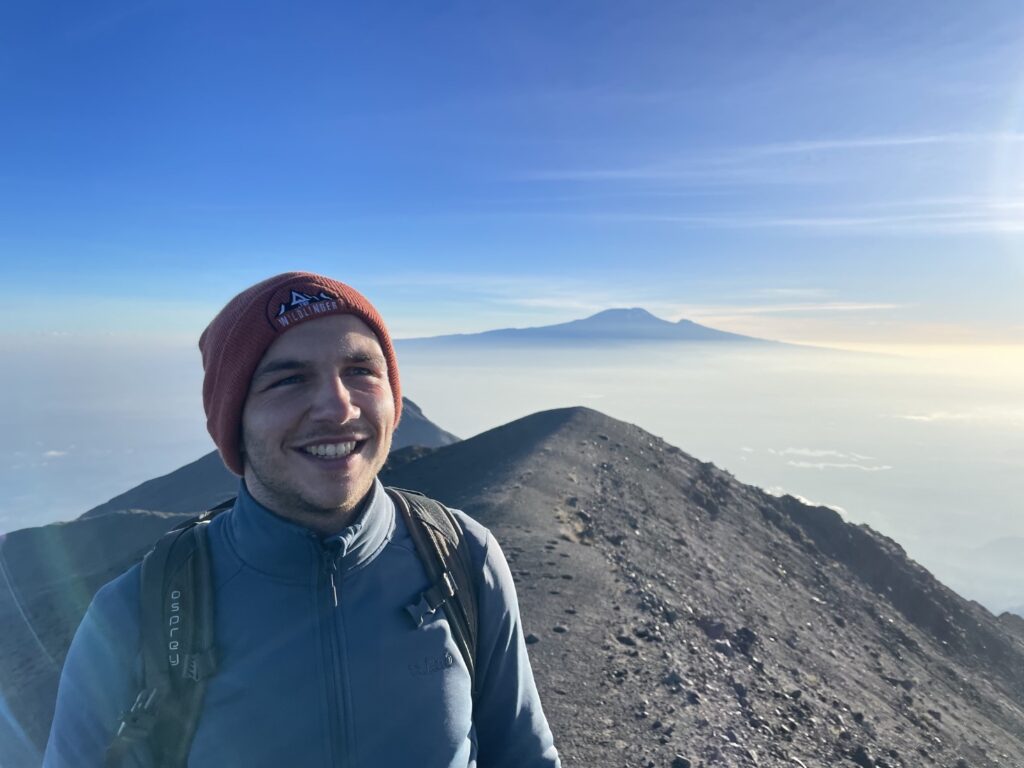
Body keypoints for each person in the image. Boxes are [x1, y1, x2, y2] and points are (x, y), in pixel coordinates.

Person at [43, 272, 561, 767]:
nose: (338, 408)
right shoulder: (135, 614)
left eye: (360, 371)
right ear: (233, 421)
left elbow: (523, 757)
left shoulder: (461, 558)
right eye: (288, 379)